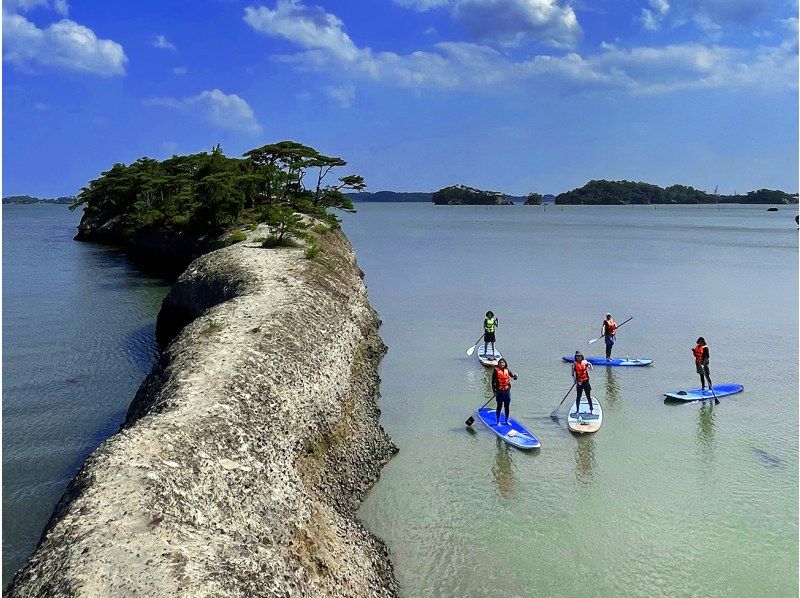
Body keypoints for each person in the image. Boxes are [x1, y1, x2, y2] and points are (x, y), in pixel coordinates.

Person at [491, 358, 517, 426]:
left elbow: (513, 377)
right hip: (499, 391)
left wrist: (515, 377)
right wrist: (494, 392)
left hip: (507, 391)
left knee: (507, 406)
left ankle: (506, 420)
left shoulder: (507, 370)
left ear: (505, 363)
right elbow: (493, 382)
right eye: (500, 363)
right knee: (499, 406)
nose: (502, 364)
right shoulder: (496, 371)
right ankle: (498, 421)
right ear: (498, 364)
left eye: (503, 362)